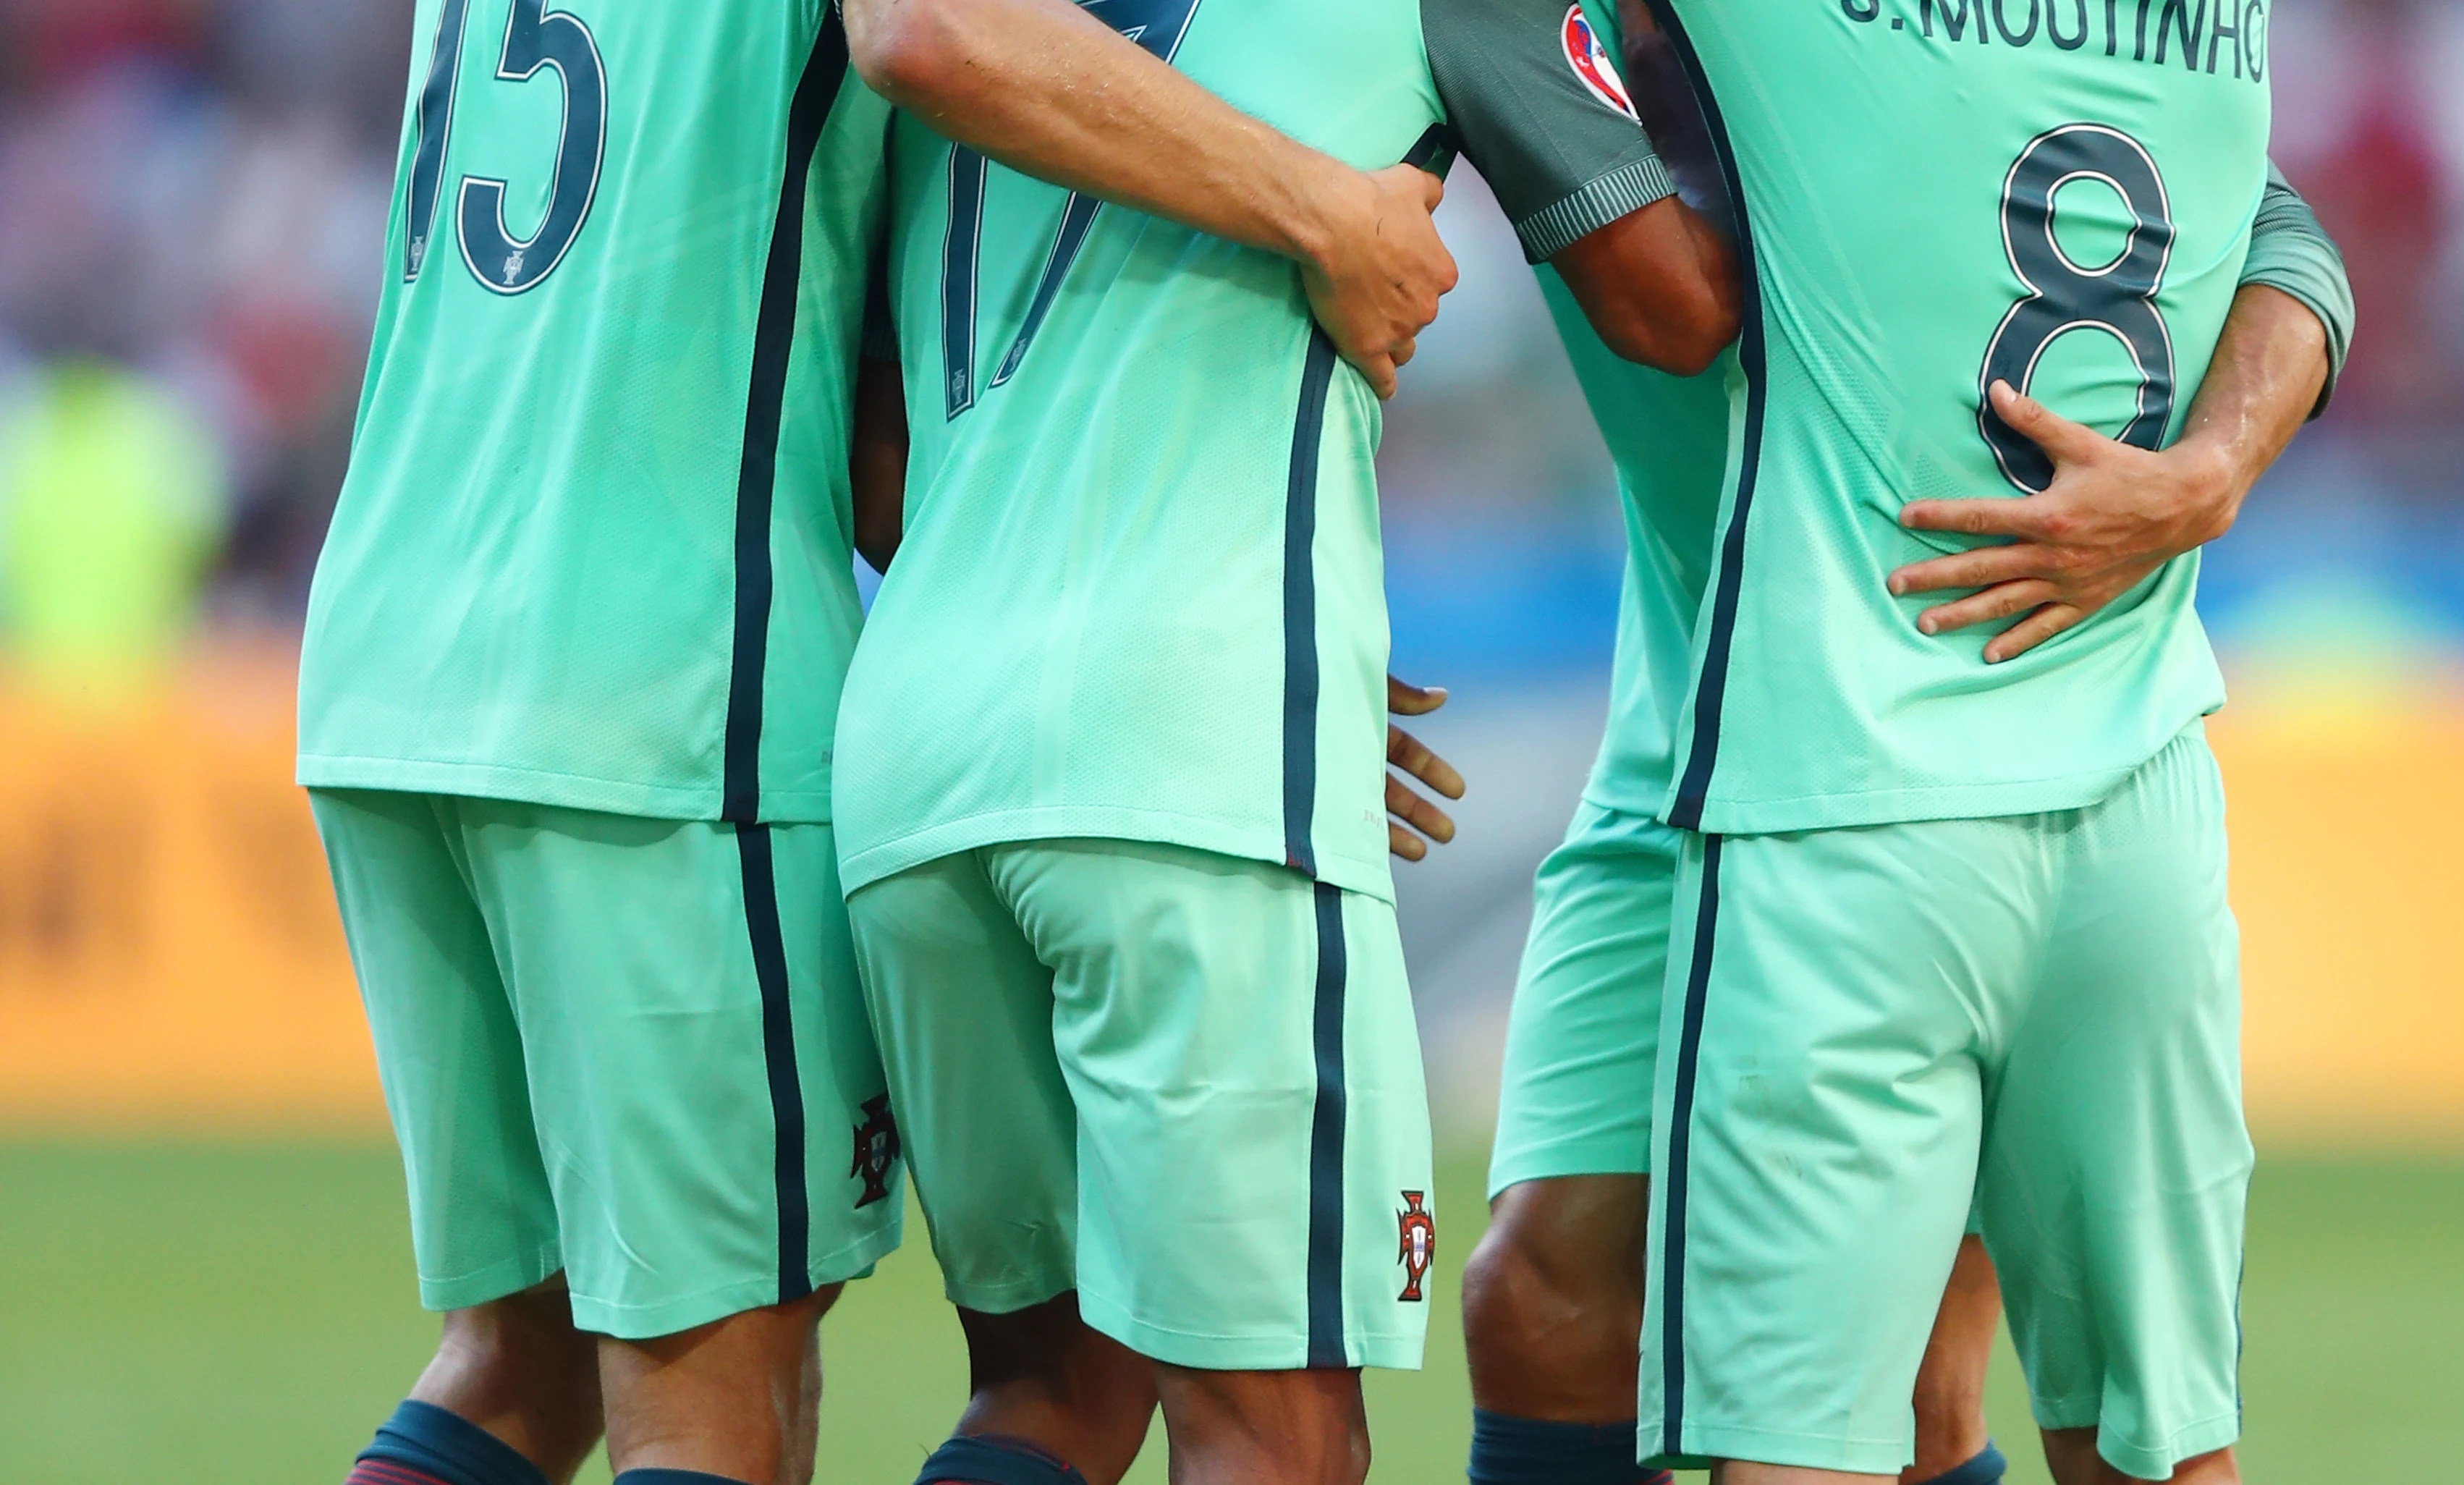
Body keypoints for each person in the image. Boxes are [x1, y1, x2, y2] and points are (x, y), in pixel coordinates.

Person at [297, 1, 1462, 1482]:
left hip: (387, 643)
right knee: (714, 1385)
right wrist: (1332, 212)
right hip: (656, 673)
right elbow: (934, 27)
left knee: (517, 1353)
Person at [827, 1, 1735, 1481]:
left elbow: (877, 464)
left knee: (1048, 1397)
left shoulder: (1008, 30)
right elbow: (1672, 310)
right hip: (1193, 754)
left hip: (920, 753)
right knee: (1280, 1435)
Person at [1457, 7, 2356, 1485]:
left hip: (1842, 716)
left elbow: (2276, 221)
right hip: (1703, 659)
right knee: (1542, 1292)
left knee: (1908, 1378)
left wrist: (2207, 473)